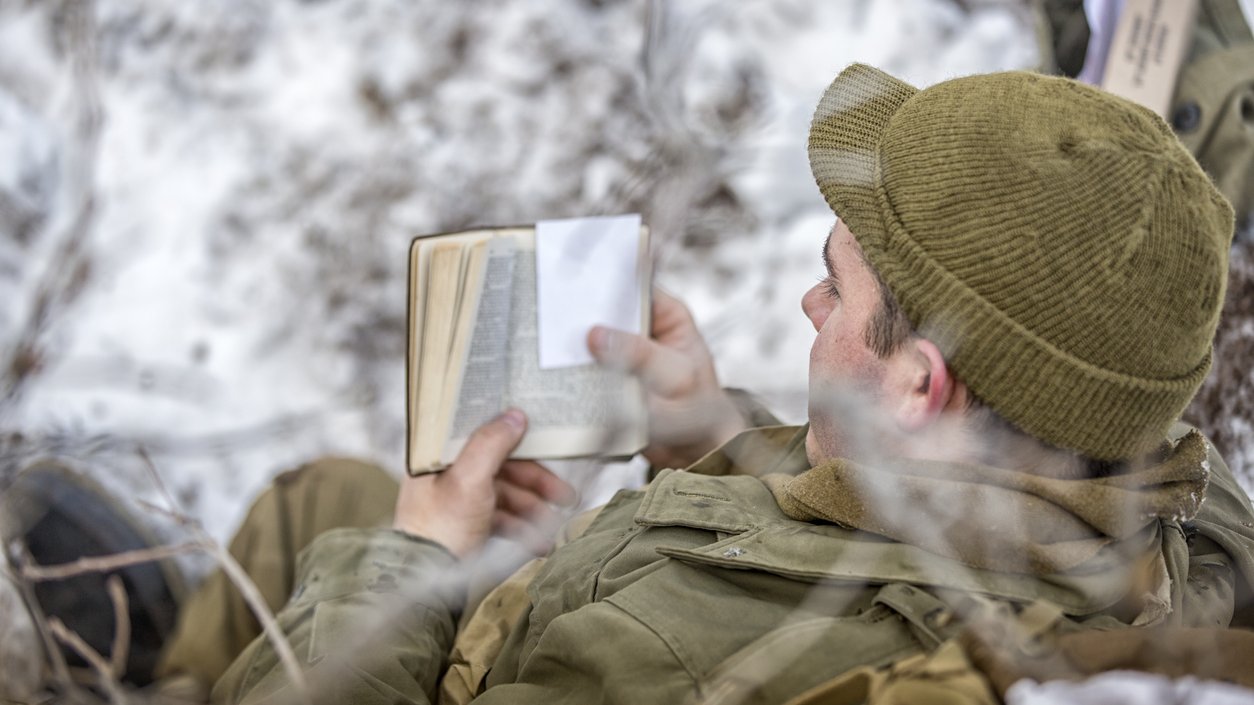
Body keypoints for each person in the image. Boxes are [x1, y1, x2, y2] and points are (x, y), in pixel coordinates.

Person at [193, 62, 1254, 704]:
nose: (808, 306)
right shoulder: (1186, 525)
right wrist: (709, 436)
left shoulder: (665, 662)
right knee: (333, 489)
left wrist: (414, 559)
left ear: (918, 386)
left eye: (834, 289)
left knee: (314, 511)